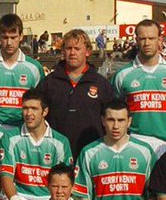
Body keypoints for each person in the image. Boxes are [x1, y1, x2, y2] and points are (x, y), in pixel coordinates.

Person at [112, 19, 166, 155]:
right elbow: (114, 112)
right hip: (134, 143)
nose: (147, 43)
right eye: (142, 38)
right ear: (136, 40)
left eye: (151, 38)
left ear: (160, 39)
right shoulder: (122, 75)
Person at [37, 28, 115, 156]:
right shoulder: (48, 83)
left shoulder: (101, 84)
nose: (72, 52)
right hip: (56, 153)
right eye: (68, 48)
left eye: (77, 48)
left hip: (93, 153)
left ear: (88, 51)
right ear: (63, 51)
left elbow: (112, 119)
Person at [0, 13, 45, 136]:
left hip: (24, 130)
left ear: (21, 36)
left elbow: (42, 102)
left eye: (13, 37)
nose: (9, 42)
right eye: (5, 37)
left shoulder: (34, 67)